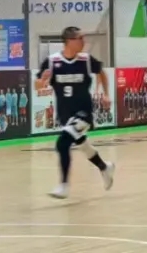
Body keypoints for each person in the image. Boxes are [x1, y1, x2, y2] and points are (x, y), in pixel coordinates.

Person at [35, 25, 114, 199]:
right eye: (80, 38)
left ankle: (63, 185)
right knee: (83, 145)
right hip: (65, 114)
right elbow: (37, 86)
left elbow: (101, 72)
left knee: (62, 144)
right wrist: (42, 81)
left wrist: (106, 94)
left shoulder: (86, 59)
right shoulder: (52, 62)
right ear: (69, 41)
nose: (83, 41)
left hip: (84, 113)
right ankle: (104, 167)